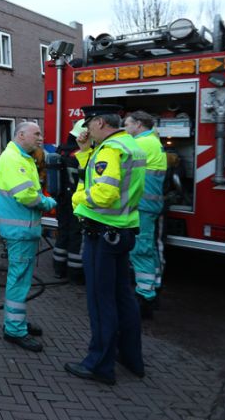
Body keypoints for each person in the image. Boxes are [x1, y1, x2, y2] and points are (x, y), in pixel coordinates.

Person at [65, 104, 146, 385]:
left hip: (103, 234)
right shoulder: (129, 144)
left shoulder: (111, 150)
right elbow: (104, 178)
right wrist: (85, 150)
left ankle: (99, 365)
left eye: (87, 125)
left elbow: (104, 193)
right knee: (124, 297)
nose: (85, 131)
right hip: (122, 231)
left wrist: (76, 198)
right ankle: (131, 357)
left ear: (99, 122)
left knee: (101, 302)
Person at [0, 121, 57, 352]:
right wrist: (49, 202)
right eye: (37, 134)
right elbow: (27, 196)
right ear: (21, 135)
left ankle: (17, 322)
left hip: (23, 230)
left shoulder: (22, 157)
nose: (40, 138)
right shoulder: (13, 159)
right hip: (19, 232)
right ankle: (14, 330)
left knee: (21, 280)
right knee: (19, 280)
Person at [124, 110, 168, 318]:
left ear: (139, 124)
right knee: (149, 248)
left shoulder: (142, 144)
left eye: (128, 124)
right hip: (149, 205)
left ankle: (145, 296)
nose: (125, 128)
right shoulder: (153, 141)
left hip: (142, 205)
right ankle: (152, 287)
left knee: (140, 249)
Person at [51, 120, 85, 283]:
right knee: (76, 235)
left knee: (62, 233)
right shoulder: (81, 154)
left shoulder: (61, 150)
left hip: (61, 200)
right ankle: (75, 274)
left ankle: (58, 269)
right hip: (76, 202)